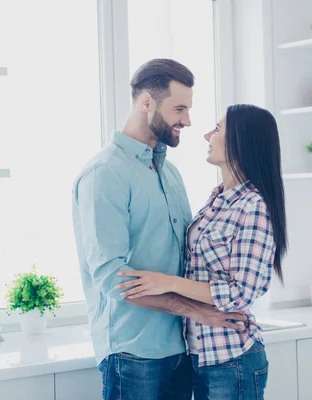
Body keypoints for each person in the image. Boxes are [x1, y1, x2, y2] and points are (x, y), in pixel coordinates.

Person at [72, 59, 247, 400]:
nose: (188, 120)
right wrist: (197, 311)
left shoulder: (170, 174)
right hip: (132, 353)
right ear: (147, 103)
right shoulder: (104, 173)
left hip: (179, 349)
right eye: (179, 108)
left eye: (189, 109)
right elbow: (111, 277)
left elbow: (187, 257)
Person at [117, 104, 288, 400]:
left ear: (242, 141)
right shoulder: (217, 198)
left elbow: (241, 292)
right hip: (197, 355)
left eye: (218, 129)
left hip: (232, 358)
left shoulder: (254, 207)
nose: (207, 134)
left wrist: (166, 282)